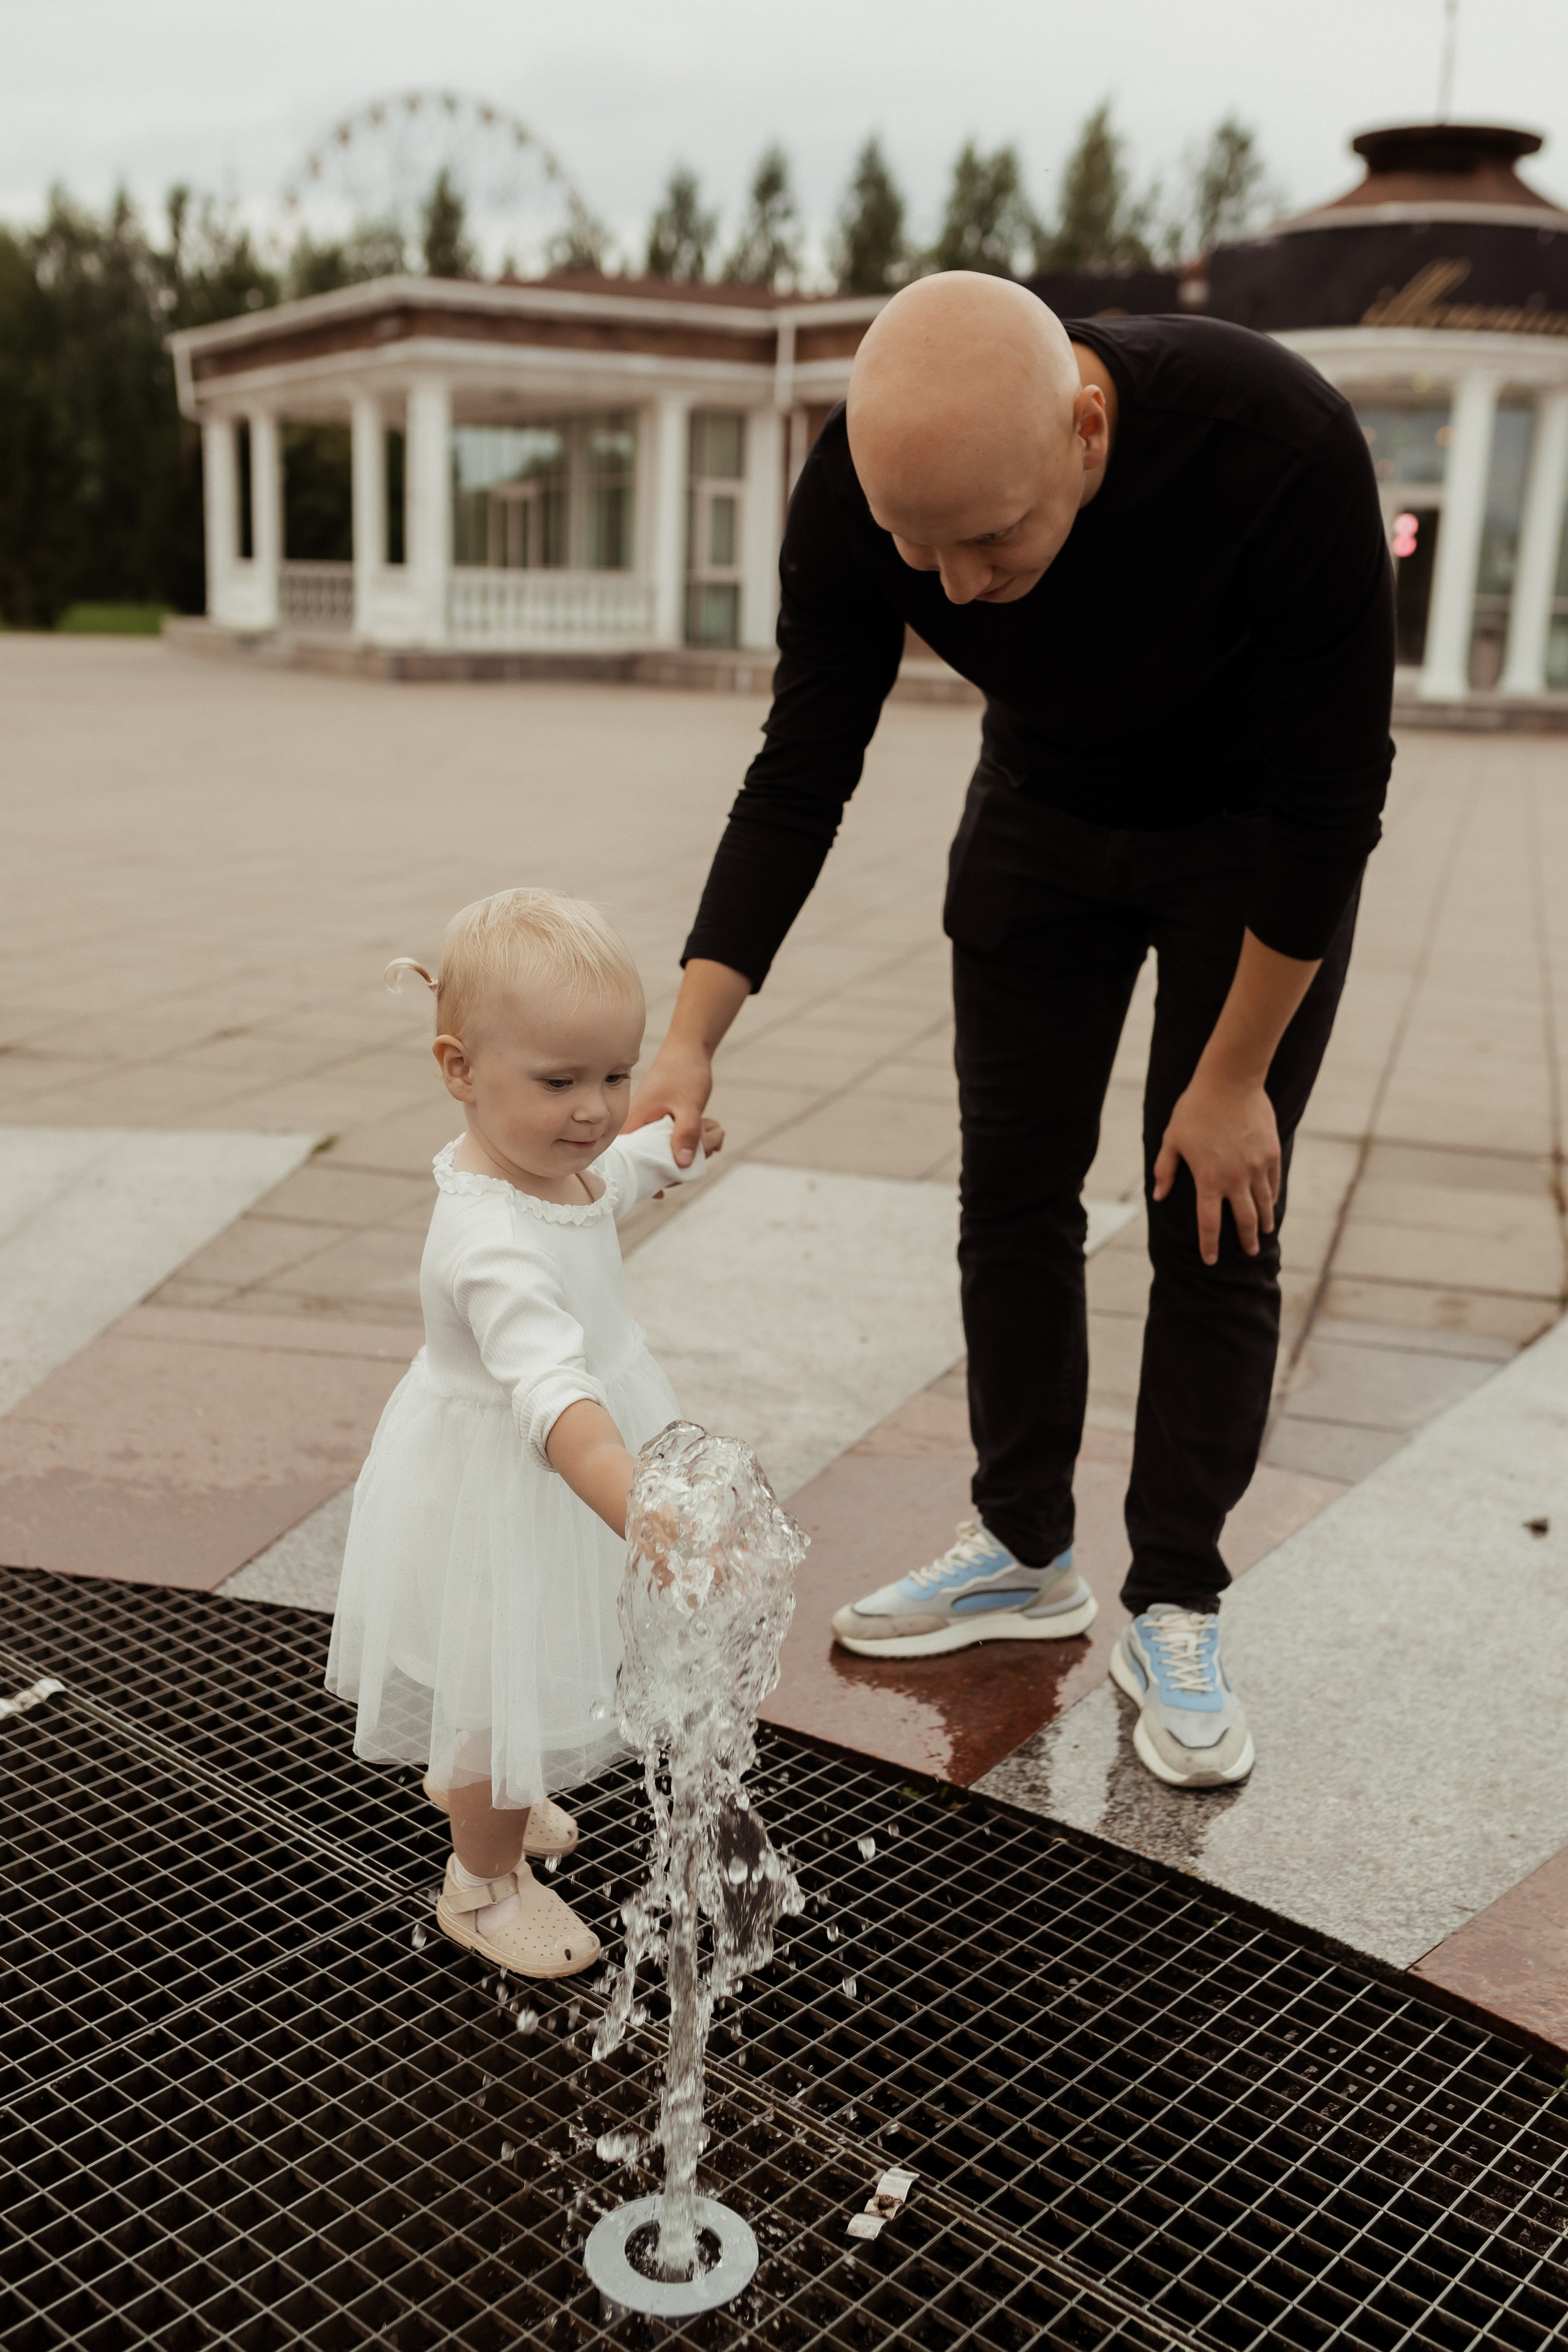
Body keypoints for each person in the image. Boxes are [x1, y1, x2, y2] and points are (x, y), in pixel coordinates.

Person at [628, 272, 1394, 1793]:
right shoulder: (864, 489)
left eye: (990, 541)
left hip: (1246, 838)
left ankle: (1174, 1599)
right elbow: (802, 763)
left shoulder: (1276, 447)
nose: (957, 588)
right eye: (917, 552)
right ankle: (1024, 1549)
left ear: (1086, 431)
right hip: (1038, 809)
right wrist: (690, 1034)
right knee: (1010, 1192)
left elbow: (1332, 804)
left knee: (1212, 1207)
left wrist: (1233, 1075)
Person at [326, 888, 722, 1976]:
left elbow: (600, 1188)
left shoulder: (544, 1165)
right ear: (459, 1069)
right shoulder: (487, 1240)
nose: (594, 1110)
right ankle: (483, 1884)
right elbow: (551, 1396)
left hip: (562, 1465)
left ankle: (491, 1780)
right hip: (524, 1472)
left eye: (615, 1075)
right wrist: (638, 1501)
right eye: (560, 1083)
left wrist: (666, 1151)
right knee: (500, 1682)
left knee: (525, 1658)